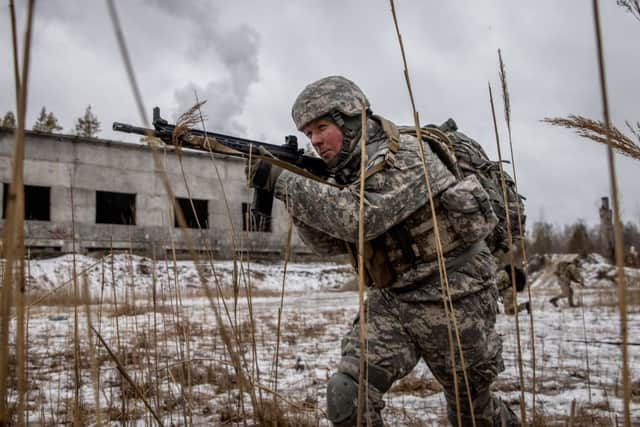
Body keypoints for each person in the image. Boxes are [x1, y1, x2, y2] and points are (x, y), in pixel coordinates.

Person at [247, 76, 519, 426]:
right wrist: (297, 188)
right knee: (347, 392)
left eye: (321, 127)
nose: (314, 140)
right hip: (395, 299)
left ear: (351, 118)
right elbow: (328, 242)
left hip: (455, 293)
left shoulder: (406, 154)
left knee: (472, 410)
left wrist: (283, 181)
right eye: (307, 133)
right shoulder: (348, 174)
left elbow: (360, 218)